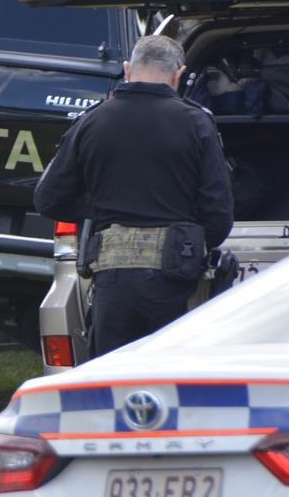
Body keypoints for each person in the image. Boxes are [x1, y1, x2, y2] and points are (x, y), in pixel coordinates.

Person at [34, 34, 234, 356]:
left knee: (111, 379)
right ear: (178, 74)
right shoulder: (197, 123)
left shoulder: (91, 121)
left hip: (112, 282)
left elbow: (48, 199)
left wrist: (99, 209)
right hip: (173, 280)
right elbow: (218, 216)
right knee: (167, 378)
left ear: (127, 69)